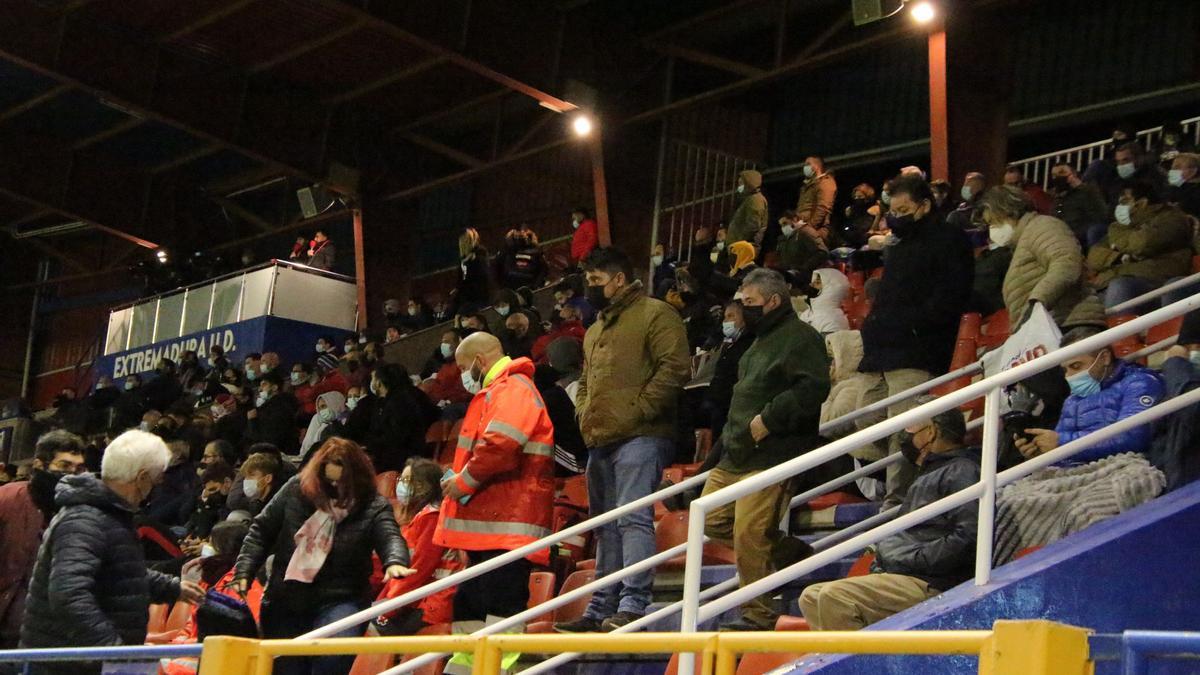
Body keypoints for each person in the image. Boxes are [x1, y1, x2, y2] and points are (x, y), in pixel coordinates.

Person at [556, 247, 690, 632]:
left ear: (618, 279)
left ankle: (633, 605)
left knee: (632, 519)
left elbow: (675, 368)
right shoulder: (595, 329)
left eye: (596, 281)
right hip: (601, 438)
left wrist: (639, 410)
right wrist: (584, 414)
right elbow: (587, 383)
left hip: (642, 436)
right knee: (606, 525)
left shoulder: (656, 313)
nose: (590, 288)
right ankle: (602, 607)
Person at [697, 269, 832, 630]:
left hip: (774, 452)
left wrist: (768, 419)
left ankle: (758, 616)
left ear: (773, 302)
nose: (743, 309)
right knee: (710, 519)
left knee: (749, 534)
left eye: (750, 303)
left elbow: (813, 388)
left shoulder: (802, 338)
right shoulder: (755, 343)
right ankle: (791, 552)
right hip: (736, 453)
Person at [19, 431, 204, 673]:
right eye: (157, 478)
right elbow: (69, 594)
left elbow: (118, 571)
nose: (158, 485)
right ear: (141, 478)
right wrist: (113, 652)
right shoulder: (86, 519)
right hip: (67, 667)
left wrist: (172, 587)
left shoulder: (108, 515)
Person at [234, 438, 412, 675]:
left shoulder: (373, 504)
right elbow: (260, 531)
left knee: (332, 659)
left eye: (341, 482)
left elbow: (389, 535)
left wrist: (395, 561)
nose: (333, 487)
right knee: (286, 669)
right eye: (328, 481)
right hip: (285, 599)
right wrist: (243, 571)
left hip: (341, 598)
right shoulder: (295, 489)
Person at [800, 407, 978, 630]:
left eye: (910, 430)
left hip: (931, 581)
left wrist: (909, 559)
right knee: (810, 596)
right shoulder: (928, 473)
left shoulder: (962, 470)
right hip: (906, 573)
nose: (906, 438)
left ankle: (859, 665)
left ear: (931, 432)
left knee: (833, 597)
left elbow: (969, 537)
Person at [857, 174, 973, 506]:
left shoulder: (949, 239)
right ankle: (887, 486)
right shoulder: (901, 245)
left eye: (903, 209)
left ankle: (898, 504)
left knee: (903, 430)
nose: (895, 216)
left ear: (923, 206)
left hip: (916, 351)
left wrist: (914, 327)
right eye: (892, 209)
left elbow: (952, 295)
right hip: (881, 353)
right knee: (865, 421)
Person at [434, 332, 555, 639]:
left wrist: (463, 482)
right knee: (470, 610)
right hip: (492, 526)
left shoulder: (513, 388)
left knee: (499, 611)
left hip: (507, 525)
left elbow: (501, 443)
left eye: (463, 367)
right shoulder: (499, 392)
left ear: (479, 361)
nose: (462, 376)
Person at [1015, 328, 1164, 465]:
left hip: (1128, 466)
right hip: (1079, 475)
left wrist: (1062, 444)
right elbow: (1062, 457)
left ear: (1104, 358)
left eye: (1076, 366)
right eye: (1065, 370)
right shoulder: (1072, 401)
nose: (1069, 376)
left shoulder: (1140, 382)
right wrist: (1041, 454)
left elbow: (1133, 437)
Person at [0, 431, 85, 649]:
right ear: (39, 464)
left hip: (42, 635)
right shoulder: (6, 499)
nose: (71, 475)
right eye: (64, 466)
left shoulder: (78, 512)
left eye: (78, 468)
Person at [979, 186, 1105, 331]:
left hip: (1069, 325)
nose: (992, 229)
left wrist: (1036, 303)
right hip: (1051, 327)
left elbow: (1066, 263)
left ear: (1009, 211)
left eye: (994, 222)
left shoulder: (1042, 226)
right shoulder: (1022, 242)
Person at [371, 459, 463, 636]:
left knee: (368, 630)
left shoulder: (432, 518)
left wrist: (387, 607)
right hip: (416, 600)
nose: (400, 487)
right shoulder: (416, 519)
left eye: (405, 481)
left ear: (422, 487)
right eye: (400, 481)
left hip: (434, 603)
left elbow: (416, 571)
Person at [1087, 181, 1193, 309]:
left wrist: (1117, 244)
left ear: (1142, 202)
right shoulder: (1120, 225)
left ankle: (1124, 329)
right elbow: (1093, 258)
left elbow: (1141, 243)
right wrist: (1120, 257)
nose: (1119, 207)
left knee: (1120, 286)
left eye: (1125, 202)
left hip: (1153, 281)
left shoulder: (1171, 218)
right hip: (1110, 281)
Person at [366, 363, 438, 472]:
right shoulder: (388, 402)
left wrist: (372, 448)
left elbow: (396, 436)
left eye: (373, 378)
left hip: (404, 459)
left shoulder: (399, 402)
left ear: (380, 382)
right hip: (401, 455)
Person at [703, 302, 753, 443]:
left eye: (731, 316)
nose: (726, 322)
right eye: (725, 317)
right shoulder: (729, 347)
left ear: (744, 319)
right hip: (719, 410)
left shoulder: (748, 346)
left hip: (733, 412)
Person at [1050, 162, 1110, 247]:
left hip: (1084, 232)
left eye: (1062, 172)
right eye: (1054, 175)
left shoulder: (1089, 190)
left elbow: (1100, 215)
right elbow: (1056, 218)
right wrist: (1060, 199)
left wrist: (1079, 187)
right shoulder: (1058, 199)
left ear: (1073, 174)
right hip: (1065, 236)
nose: (1057, 177)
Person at [246, 371, 300, 457]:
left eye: (264, 385)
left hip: (277, 455)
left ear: (275, 387)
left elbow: (267, 438)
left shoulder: (279, 408)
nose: (260, 389)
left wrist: (252, 421)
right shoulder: (271, 406)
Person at [774, 210, 828, 281]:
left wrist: (802, 269)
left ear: (794, 219)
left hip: (805, 278)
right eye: (781, 225)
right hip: (790, 276)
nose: (783, 227)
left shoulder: (806, 232)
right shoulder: (787, 237)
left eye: (785, 223)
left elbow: (822, 252)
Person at [229, 451, 284, 518]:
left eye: (252, 475)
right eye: (245, 477)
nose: (246, 480)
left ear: (268, 478)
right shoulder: (249, 504)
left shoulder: (279, 505)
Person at [794, 156, 836, 242]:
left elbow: (823, 208)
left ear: (817, 166)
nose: (805, 167)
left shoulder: (825, 183)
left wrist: (810, 228)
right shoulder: (807, 186)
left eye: (808, 164)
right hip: (803, 229)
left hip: (817, 231)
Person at [798, 268, 850, 335]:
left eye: (817, 283)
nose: (811, 285)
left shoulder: (833, 321)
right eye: (813, 282)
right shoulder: (806, 314)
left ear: (830, 289)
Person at [300, 391, 347, 461]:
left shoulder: (347, 421)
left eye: (324, 406)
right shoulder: (318, 419)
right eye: (319, 408)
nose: (322, 411)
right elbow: (307, 446)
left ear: (335, 404)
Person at [727, 169, 768, 247]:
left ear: (749, 182)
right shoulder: (749, 199)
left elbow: (753, 224)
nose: (739, 187)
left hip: (744, 246)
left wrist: (739, 240)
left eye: (741, 183)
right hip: (741, 245)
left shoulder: (755, 199)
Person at [455, 228, 491, 308]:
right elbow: (461, 276)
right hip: (467, 296)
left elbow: (482, 277)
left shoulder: (479, 254)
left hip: (478, 297)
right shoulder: (463, 258)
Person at [840, 183, 879, 247]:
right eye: (855, 196)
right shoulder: (850, 210)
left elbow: (872, 230)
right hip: (851, 242)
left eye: (860, 196)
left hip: (866, 243)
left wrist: (878, 216)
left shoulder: (874, 210)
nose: (857, 199)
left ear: (867, 197)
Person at [1166, 152, 1200, 219]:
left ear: (1192, 171)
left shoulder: (1196, 194)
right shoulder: (1177, 187)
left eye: (1177, 167)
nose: (1172, 171)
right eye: (1172, 167)